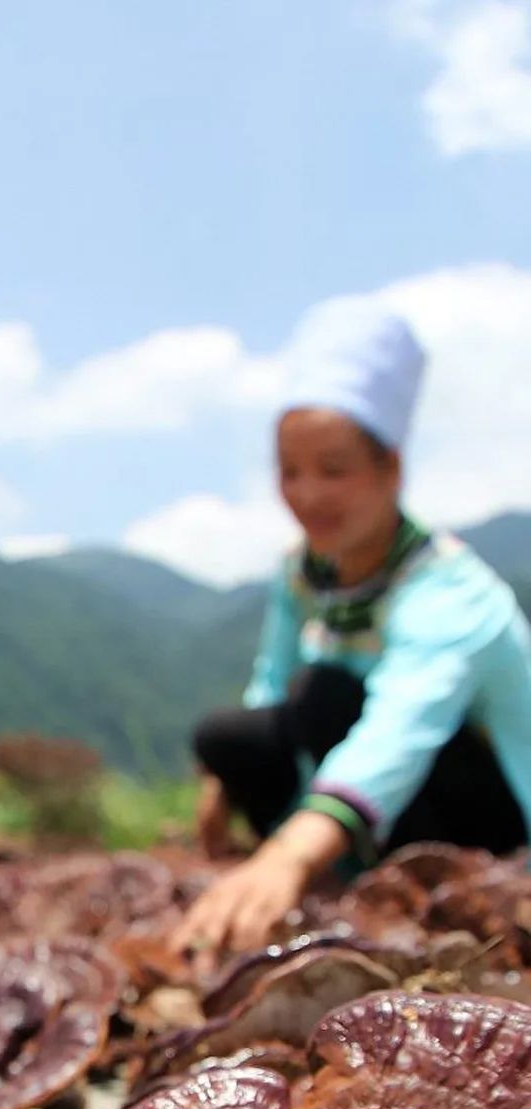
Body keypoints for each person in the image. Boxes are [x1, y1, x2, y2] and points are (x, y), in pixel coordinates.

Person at [176, 297, 531, 956]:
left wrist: (290, 851)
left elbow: (400, 731)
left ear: (390, 468)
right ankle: (348, 870)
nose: (307, 495)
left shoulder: (455, 593)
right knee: (228, 735)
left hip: (485, 808)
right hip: (368, 780)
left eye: (333, 470)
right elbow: (271, 685)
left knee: (325, 694)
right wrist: (222, 779)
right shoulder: (302, 573)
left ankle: (399, 882)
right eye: (290, 471)